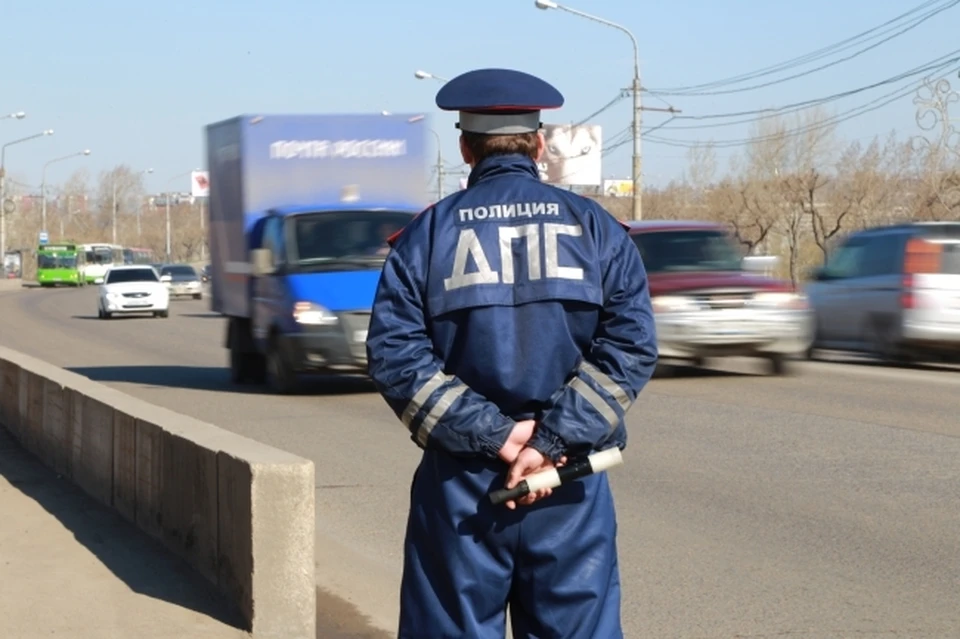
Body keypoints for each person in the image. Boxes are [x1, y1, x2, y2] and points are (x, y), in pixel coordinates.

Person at [366, 68, 658, 638]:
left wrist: (497, 436)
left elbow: (395, 356)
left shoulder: (428, 237)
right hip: (568, 480)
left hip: (463, 485)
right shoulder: (597, 229)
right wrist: (550, 443)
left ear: (465, 147)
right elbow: (632, 346)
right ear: (540, 144)